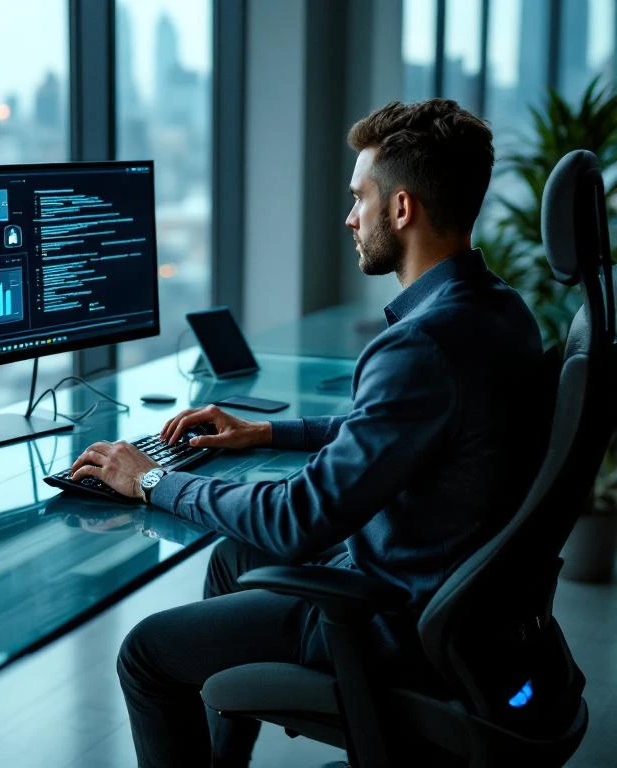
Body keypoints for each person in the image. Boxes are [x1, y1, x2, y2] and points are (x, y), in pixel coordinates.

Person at [68, 99, 549, 768]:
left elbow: (300, 519)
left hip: (391, 618)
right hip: (454, 602)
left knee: (146, 654)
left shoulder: (423, 343)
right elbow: (398, 431)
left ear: (402, 209)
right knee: (234, 556)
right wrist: (265, 432)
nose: (350, 218)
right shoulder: (498, 311)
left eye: (360, 198)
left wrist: (150, 479)